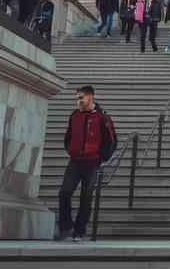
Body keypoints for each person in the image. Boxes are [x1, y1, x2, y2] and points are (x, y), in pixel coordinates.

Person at [56, 85, 116, 242]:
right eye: (77, 98)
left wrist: (102, 157)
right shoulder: (74, 115)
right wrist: (70, 150)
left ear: (90, 97)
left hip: (92, 162)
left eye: (81, 97)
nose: (78, 101)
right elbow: (68, 135)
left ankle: (79, 231)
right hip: (75, 161)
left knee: (86, 197)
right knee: (64, 192)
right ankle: (65, 227)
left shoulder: (102, 116)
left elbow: (111, 139)